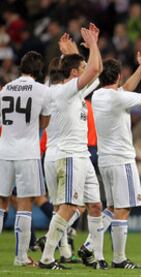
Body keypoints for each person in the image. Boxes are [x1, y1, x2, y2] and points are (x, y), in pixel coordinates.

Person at [38, 24, 105, 270]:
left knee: (95, 205)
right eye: (80, 68)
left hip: (79, 155)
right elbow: (96, 68)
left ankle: (97, 257)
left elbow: (93, 73)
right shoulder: (64, 91)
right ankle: (47, 257)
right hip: (67, 155)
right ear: (74, 73)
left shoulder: (68, 90)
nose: (85, 70)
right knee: (68, 207)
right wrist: (94, 45)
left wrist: (73, 52)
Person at [92, 46, 141, 269]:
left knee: (111, 207)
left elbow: (125, 89)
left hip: (105, 160)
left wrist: (140, 67)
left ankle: (90, 245)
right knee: (124, 208)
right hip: (122, 160)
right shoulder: (118, 98)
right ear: (118, 76)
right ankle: (119, 258)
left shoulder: (98, 95)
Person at [0, 50, 52, 266]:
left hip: (4, 151)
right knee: (25, 203)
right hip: (27, 153)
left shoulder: (5, 89)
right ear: (39, 71)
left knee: (1, 202)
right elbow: (44, 124)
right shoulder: (42, 91)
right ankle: (21, 257)